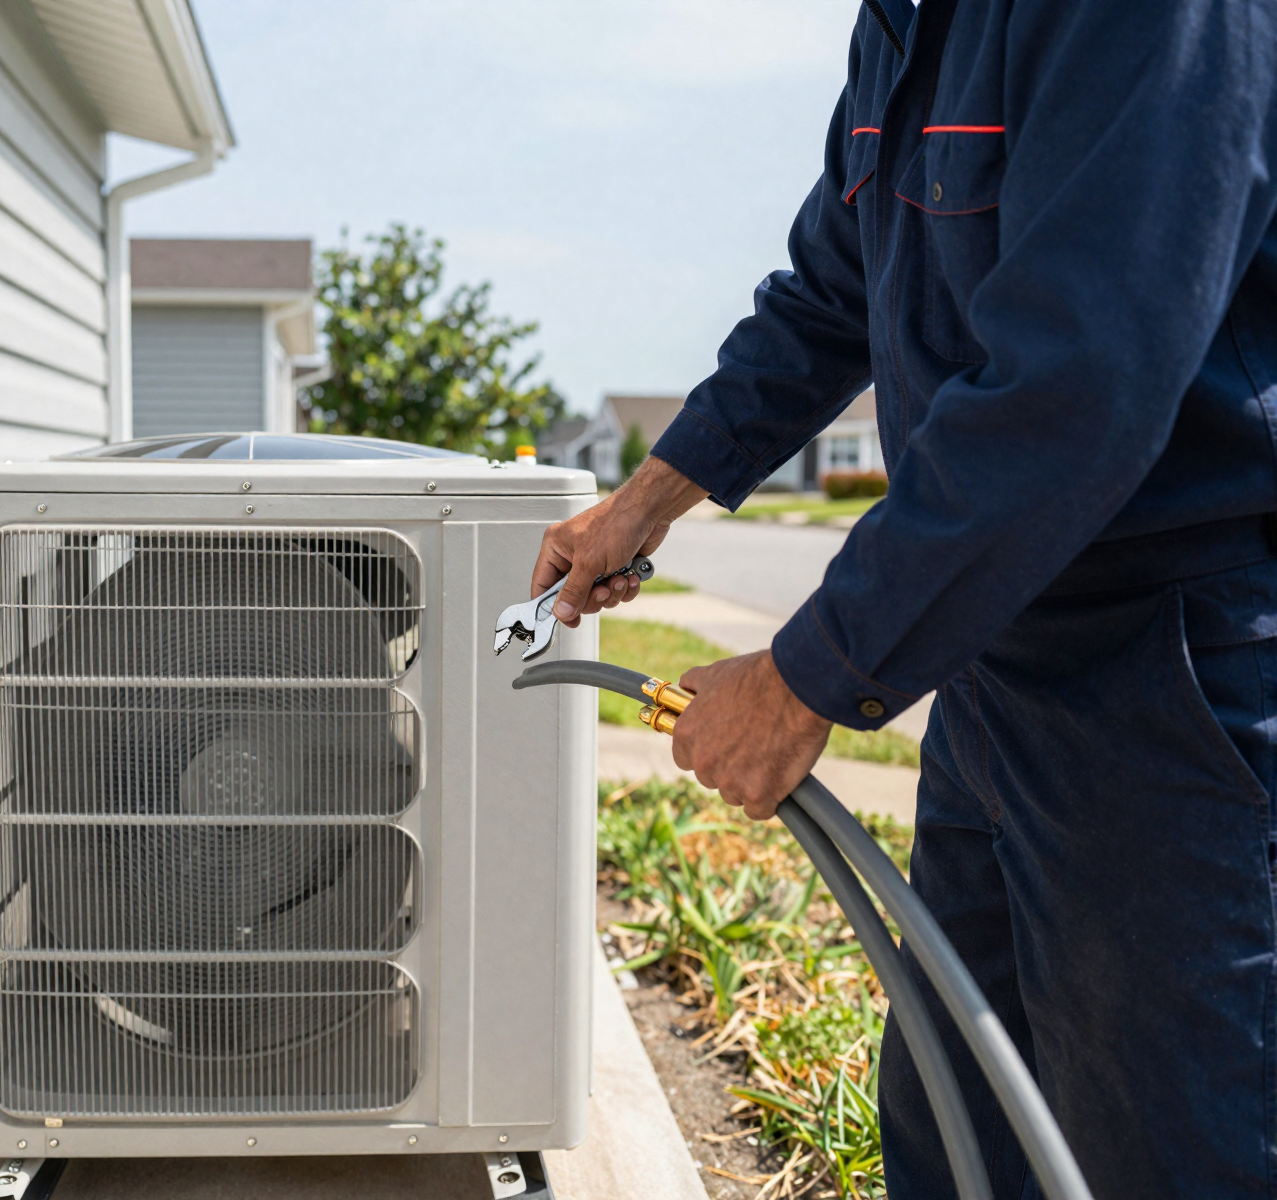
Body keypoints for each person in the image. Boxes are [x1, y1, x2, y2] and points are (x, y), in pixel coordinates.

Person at [529, 1, 1277, 1195]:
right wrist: (651, 498)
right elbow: (832, 292)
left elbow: (1079, 384)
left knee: (1161, 1147)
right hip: (996, 656)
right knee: (958, 1125)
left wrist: (801, 679)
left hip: (1169, 668)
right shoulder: (907, 20)